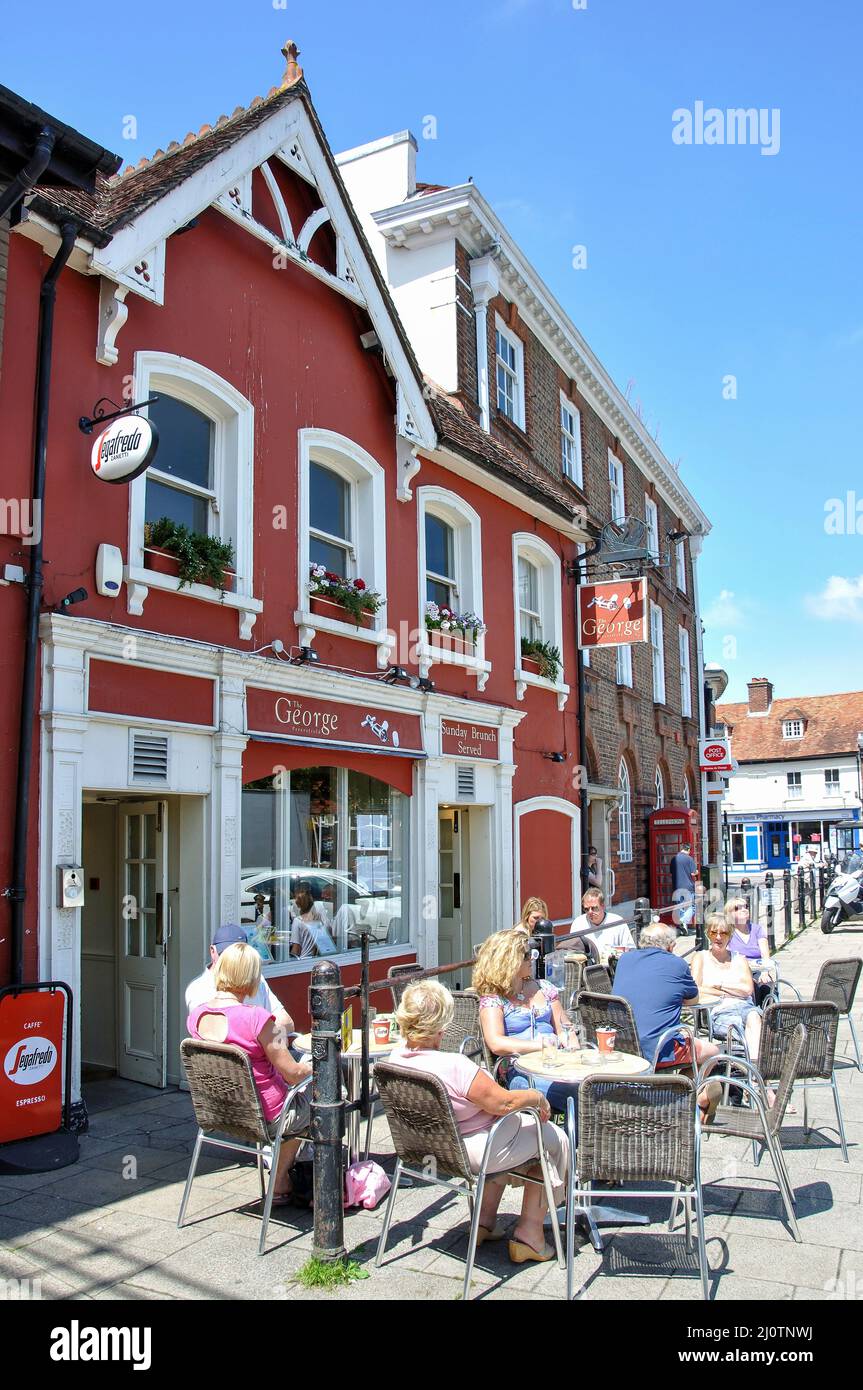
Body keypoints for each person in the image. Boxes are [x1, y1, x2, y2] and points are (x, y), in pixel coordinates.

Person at [391, 979, 569, 1262]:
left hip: (428, 1147)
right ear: (442, 1024)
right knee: (552, 1138)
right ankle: (530, 1235)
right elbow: (504, 1103)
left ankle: (484, 1222)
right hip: (474, 1150)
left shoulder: (394, 1058)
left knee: (524, 1134)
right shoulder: (453, 1066)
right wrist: (536, 1097)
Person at [186, 942, 311, 1204]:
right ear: (251, 977)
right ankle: (283, 1179)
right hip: (268, 1116)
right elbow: (293, 1074)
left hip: (222, 1112)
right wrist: (319, 1066)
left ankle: (289, 1172)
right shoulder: (258, 1019)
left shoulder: (196, 1016)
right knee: (327, 1100)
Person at [613, 923, 720, 1114]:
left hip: (620, 1045)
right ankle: (686, 1101)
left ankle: (680, 1101)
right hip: (657, 1049)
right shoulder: (676, 964)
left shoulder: (624, 959)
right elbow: (693, 998)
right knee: (712, 1052)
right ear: (670, 946)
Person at [474, 930, 578, 1117]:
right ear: (509, 960)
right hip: (521, 1071)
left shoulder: (543, 987)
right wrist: (542, 1046)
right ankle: (575, 1145)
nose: (532, 957)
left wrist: (570, 1040)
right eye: (526, 955)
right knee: (577, 1095)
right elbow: (496, 1043)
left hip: (558, 1065)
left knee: (593, 1087)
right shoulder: (494, 999)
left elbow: (564, 1026)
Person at [185, 924, 294, 1034]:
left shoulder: (257, 978)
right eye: (226, 955)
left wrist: (263, 1035)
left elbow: (286, 1021)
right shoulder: (198, 988)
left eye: (240, 957)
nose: (234, 962)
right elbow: (211, 1034)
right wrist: (261, 1034)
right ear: (213, 951)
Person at [691, 914, 763, 1057]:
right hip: (719, 1012)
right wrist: (729, 992)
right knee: (742, 1027)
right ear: (707, 934)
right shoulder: (701, 957)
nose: (718, 937)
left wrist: (718, 985)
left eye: (723, 933)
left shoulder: (739, 959)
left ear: (730, 935)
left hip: (745, 1007)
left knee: (754, 1017)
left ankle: (753, 1069)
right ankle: (755, 1071)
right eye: (714, 932)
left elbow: (748, 990)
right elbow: (696, 988)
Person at [724, 897, 773, 1006]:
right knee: (749, 987)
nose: (744, 910)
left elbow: (765, 954)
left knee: (766, 985)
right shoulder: (728, 932)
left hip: (758, 969)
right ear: (730, 914)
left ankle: (769, 1018)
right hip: (737, 971)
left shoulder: (757, 929)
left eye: (745, 907)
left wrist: (765, 972)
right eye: (738, 908)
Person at [569, 888, 635, 955]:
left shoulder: (618, 922)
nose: (590, 912)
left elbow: (630, 949)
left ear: (603, 906)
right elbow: (572, 951)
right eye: (586, 909)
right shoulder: (578, 923)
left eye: (594, 908)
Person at [290, 886, 337, 958]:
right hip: (319, 958)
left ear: (297, 904)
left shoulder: (298, 921)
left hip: (304, 960)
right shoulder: (319, 919)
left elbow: (296, 949)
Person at [669, 841, 698, 931]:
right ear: (688, 849)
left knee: (680, 907)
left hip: (677, 887)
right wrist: (697, 872)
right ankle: (683, 921)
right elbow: (693, 873)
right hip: (688, 887)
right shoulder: (689, 859)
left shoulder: (674, 858)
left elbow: (671, 872)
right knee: (692, 906)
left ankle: (683, 928)